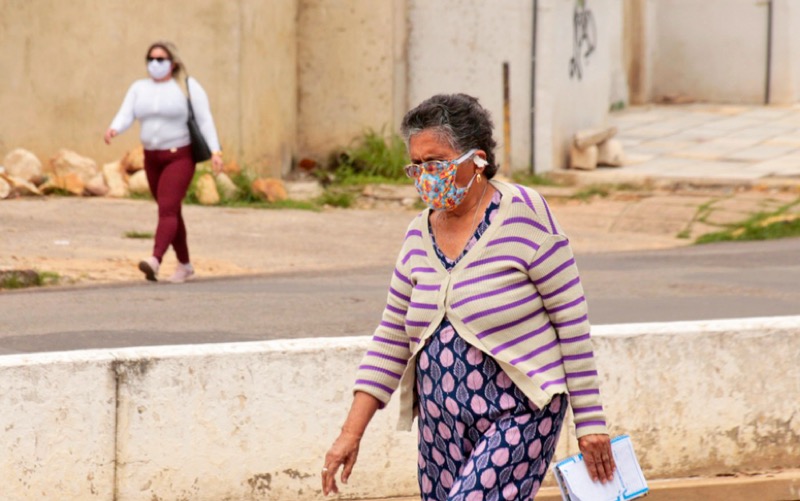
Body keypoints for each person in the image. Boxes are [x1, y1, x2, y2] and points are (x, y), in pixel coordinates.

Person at [322, 94, 615, 500]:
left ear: (476, 160)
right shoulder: (416, 234)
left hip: (521, 412)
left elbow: (571, 321)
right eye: (417, 166)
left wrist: (591, 422)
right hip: (442, 425)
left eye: (437, 163)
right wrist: (349, 435)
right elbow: (391, 338)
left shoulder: (525, 214)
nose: (426, 175)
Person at [104, 41, 223, 283]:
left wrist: (215, 151)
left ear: (173, 63)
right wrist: (114, 128)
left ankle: (155, 260)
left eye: (161, 59)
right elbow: (127, 113)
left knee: (166, 209)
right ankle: (185, 265)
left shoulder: (186, 87)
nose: (155, 64)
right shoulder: (139, 88)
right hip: (152, 157)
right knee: (172, 212)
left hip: (179, 155)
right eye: (151, 59)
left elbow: (205, 119)